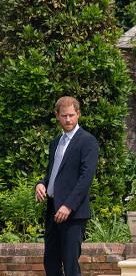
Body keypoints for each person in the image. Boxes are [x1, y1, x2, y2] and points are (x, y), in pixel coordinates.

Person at [35, 96, 99, 275]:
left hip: (73, 214)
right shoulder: (55, 143)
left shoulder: (88, 141)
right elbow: (52, 174)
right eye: (64, 116)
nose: (68, 119)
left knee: (71, 266)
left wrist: (69, 206)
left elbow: (86, 179)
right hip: (52, 210)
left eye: (71, 115)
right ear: (57, 116)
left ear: (78, 114)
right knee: (51, 264)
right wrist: (42, 183)